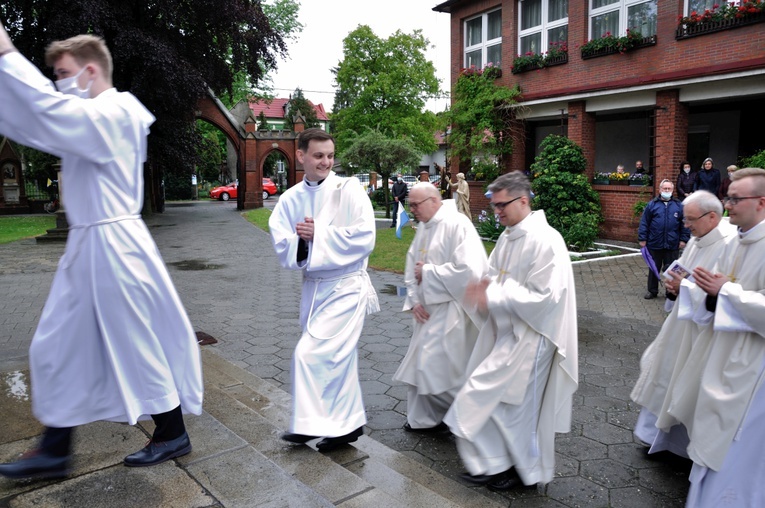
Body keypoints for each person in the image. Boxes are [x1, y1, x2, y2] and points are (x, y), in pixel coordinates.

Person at [0, 26, 203, 479]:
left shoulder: (113, 112)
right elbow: (48, 116)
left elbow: (46, 112)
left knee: (135, 342)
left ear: (91, 71)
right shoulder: (100, 114)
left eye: (63, 73)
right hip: (93, 244)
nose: (57, 83)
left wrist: (8, 53)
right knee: (58, 345)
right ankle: (55, 447)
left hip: (112, 247)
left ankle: (170, 433)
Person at [443, 172, 578, 492]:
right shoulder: (508, 235)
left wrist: (493, 294)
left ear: (523, 201)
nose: (497, 211)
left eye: (502, 204)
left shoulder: (547, 240)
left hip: (534, 336)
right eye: (494, 204)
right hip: (508, 333)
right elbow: (492, 280)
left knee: (515, 407)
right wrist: (481, 292)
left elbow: (546, 297)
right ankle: (495, 464)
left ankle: (524, 472)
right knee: (490, 398)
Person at [660, 168, 765, 507]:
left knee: (736, 443)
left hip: (753, 364)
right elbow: (711, 290)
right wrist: (695, 289)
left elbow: (726, 290)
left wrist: (727, 292)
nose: (727, 205)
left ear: (761, 202)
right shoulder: (735, 240)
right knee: (711, 429)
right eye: (727, 197)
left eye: (734, 199)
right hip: (720, 349)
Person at [269, 128, 378, 452]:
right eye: (318, 156)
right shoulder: (289, 199)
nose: (326, 162)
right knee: (337, 358)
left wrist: (320, 234)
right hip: (314, 289)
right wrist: (302, 241)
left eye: (330, 156)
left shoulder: (349, 189)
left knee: (309, 354)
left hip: (346, 285)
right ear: (301, 155)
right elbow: (280, 240)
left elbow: (366, 236)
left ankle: (309, 425)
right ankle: (347, 426)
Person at [630, 191, 734, 455]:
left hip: (699, 330)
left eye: (690, 220)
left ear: (712, 217)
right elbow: (684, 275)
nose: (686, 226)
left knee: (685, 382)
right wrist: (675, 288)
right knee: (662, 372)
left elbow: (720, 291)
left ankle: (678, 446)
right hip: (679, 322)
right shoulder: (698, 240)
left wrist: (685, 287)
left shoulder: (726, 243)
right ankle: (650, 434)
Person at [393, 183, 488, 434]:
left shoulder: (457, 225)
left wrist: (429, 272)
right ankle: (425, 420)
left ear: (434, 200)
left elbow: (469, 271)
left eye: (415, 205)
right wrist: (414, 299)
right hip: (427, 312)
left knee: (435, 368)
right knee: (420, 367)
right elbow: (411, 264)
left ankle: (468, 417)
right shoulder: (426, 224)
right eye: (410, 204)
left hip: (451, 311)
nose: (412, 210)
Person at [638, 180, 690, 299]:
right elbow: (644, 222)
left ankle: (670, 292)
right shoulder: (652, 205)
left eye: (669, 189)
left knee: (672, 270)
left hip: (672, 243)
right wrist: (642, 238)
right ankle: (652, 290)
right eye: (664, 189)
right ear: (660, 190)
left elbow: (685, 223)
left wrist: (683, 239)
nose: (667, 191)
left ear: (672, 190)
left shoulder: (678, 205)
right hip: (654, 242)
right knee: (653, 268)